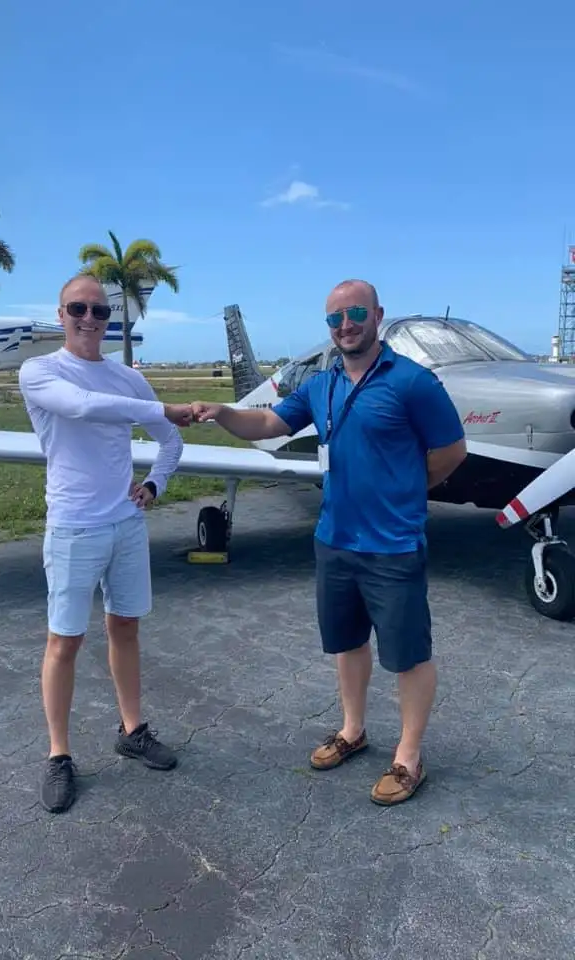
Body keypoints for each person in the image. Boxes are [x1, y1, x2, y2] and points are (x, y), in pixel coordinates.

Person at [191, 279, 466, 805]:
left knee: (408, 655)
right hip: (334, 540)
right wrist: (222, 412)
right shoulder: (324, 384)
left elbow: (451, 450)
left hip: (392, 544)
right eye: (335, 318)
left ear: (377, 315)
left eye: (356, 312)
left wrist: (407, 489)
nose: (346, 324)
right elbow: (270, 421)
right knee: (347, 643)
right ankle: (353, 730)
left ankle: (408, 757)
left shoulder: (412, 382)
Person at [19, 274, 192, 814]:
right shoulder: (40, 371)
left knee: (125, 627)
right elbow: (83, 406)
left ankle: (132, 730)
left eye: (99, 311)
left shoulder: (127, 378)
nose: (90, 319)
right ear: (61, 312)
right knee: (64, 641)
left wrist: (156, 484)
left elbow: (172, 442)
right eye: (79, 308)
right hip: (73, 526)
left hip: (125, 523)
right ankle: (58, 755)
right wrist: (163, 408)